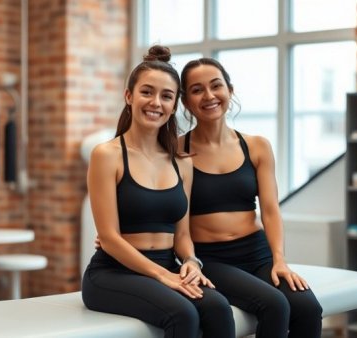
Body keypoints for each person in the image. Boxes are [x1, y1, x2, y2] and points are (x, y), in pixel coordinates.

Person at [81, 46, 235, 338]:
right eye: (147, 92)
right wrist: (164, 276)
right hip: (113, 274)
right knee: (182, 314)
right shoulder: (107, 155)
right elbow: (110, 239)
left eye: (166, 96)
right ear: (129, 96)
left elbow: (182, 235)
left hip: (167, 265)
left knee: (218, 308)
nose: (156, 102)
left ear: (175, 104)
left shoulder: (181, 163)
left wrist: (190, 261)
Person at [178, 57, 323, 338]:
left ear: (229, 90)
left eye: (216, 85)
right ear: (185, 101)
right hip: (210, 258)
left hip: (257, 253)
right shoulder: (176, 150)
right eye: (197, 90)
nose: (209, 96)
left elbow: (270, 210)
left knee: (307, 307)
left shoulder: (256, 146)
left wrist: (279, 259)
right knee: (274, 305)